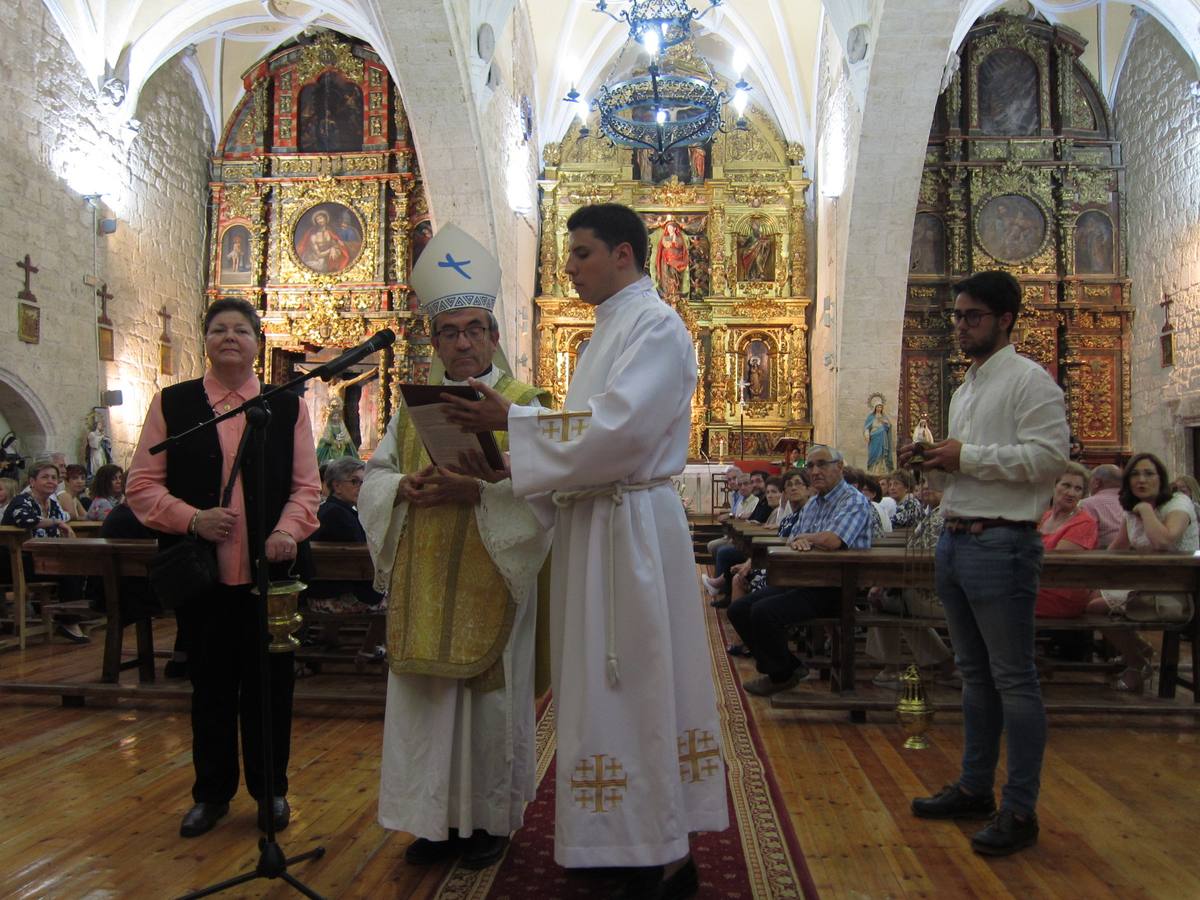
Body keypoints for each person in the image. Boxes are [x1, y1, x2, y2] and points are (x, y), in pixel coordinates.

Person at [443, 203, 727, 895]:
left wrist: (512, 420)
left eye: (581, 253)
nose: (567, 267)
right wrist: (515, 467)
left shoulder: (656, 326)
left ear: (624, 255)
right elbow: (588, 443)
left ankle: (654, 851)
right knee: (605, 688)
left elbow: (620, 431)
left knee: (635, 686)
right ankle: (621, 843)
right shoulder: (609, 330)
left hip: (629, 537)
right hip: (599, 528)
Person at [358, 225, 552, 871]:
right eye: (449, 331)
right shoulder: (411, 405)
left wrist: (481, 495)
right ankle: (432, 820)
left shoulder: (524, 404)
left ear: (494, 336)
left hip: (494, 574)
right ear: (434, 340)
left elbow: (552, 495)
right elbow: (376, 475)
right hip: (425, 574)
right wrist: (401, 489)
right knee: (427, 705)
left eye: (474, 328)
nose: (462, 341)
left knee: (487, 704)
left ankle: (490, 821)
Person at [126, 297, 321, 839]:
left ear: (258, 343)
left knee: (271, 688)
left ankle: (271, 792)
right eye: (218, 329)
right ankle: (211, 794)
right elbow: (141, 485)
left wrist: (286, 530)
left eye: (241, 329)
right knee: (208, 686)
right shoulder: (174, 403)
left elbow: (308, 486)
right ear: (205, 341)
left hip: (272, 577)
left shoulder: (286, 406)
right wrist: (192, 520)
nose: (230, 337)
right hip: (203, 577)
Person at [902, 270, 1068, 858]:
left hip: (1002, 543)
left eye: (971, 316)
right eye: (956, 316)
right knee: (974, 678)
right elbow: (974, 465)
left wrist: (965, 455)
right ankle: (975, 786)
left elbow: (1049, 461)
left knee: (1014, 680)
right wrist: (936, 461)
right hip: (958, 537)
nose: (960, 326)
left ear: (1005, 319)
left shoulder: (1031, 383)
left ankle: (1019, 807)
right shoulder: (966, 386)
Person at [727, 445, 873, 696]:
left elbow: (833, 540)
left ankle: (780, 674)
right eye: (810, 466)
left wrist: (808, 537)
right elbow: (793, 538)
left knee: (764, 612)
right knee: (738, 609)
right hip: (803, 579)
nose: (815, 471)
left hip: (835, 586)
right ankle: (789, 668)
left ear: (839, 466)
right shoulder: (815, 502)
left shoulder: (853, 501)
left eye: (822, 464)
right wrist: (801, 539)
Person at [1085, 453, 1199, 692]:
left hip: (1178, 590)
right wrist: (1091, 569)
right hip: (1146, 583)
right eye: (1135, 474)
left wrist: (1146, 510)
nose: (1141, 479)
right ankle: (1139, 651)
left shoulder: (1178, 504)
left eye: (1149, 473)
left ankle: (1137, 662)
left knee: (1094, 609)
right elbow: (1117, 549)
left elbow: (1164, 542)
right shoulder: (1131, 509)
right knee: (1085, 599)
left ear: (1161, 478)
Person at [866, 480, 956, 686]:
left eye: (933, 483)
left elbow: (929, 561)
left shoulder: (943, 516)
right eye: (923, 483)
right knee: (888, 597)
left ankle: (891, 667)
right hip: (925, 587)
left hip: (936, 594)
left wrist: (893, 582)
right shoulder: (934, 513)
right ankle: (943, 663)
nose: (925, 486)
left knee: (882, 599)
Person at [1, 461, 85, 642]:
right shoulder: (22, 501)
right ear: (32, 481)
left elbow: (66, 516)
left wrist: (62, 521)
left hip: (37, 561)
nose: (51, 481)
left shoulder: (52, 505)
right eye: (45, 477)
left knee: (77, 566)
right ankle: (68, 622)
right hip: (12, 563)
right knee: (68, 570)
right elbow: (24, 519)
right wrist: (55, 522)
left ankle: (70, 618)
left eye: (54, 478)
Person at [306, 457, 382, 614]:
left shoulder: (331, 510)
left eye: (363, 482)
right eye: (355, 482)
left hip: (325, 592)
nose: (361, 487)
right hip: (336, 596)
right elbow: (365, 558)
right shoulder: (337, 515)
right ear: (337, 486)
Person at [1034, 463, 1098, 618]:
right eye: (1066, 485)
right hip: (1036, 585)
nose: (1072, 493)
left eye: (1078, 489)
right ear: (1053, 486)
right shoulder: (1044, 516)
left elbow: (1058, 565)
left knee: (999, 598)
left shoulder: (1084, 523)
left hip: (1061, 594)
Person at [1078, 463, 1123, 549]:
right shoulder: (1131, 501)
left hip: (1102, 556)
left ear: (1096, 482)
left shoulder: (1088, 504)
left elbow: (1083, 538)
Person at [864, 400, 893, 475]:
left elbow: (888, 427)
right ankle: (872, 470)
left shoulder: (884, 417)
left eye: (880, 406)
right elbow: (866, 427)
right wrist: (867, 434)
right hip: (874, 437)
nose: (879, 408)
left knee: (882, 453)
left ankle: (881, 470)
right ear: (875, 408)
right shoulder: (871, 417)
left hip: (882, 437)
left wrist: (886, 423)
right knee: (874, 453)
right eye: (878, 406)